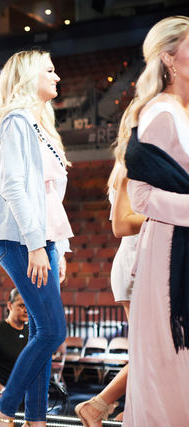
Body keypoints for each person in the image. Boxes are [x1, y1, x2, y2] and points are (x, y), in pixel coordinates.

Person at [0, 49, 72, 426]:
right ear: (29, 76)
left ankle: (36, 420)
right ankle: (2, 412)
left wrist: (57, 249)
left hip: (39, 239)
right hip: (20, 240)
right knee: (52, 330)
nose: (57, 76)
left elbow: (49, 198)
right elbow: (14, 187)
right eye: (49, 70)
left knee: (39, 330)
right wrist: (36, 245)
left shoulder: (39, 124)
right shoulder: (17, 121)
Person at [115, 16, 189, 426]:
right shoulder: (161, 112)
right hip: (168, 255)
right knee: (169, 366)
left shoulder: (183, 110)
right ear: (169, 58)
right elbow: (141, 195)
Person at [75, 159, 146, 425]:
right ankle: (99, 404)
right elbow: (121, 226)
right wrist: (171, 212)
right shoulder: (130, 164)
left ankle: (131, 410)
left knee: (150, 350)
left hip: (142, 262)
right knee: (149, 351)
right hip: (136, 265)